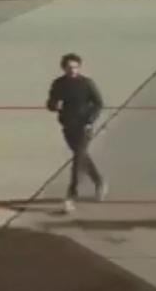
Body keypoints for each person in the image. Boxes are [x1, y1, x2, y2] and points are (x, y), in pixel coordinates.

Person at [46, 53, 107, 213]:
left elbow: (99, 103)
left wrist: (90, 120)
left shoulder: (87, 83)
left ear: (79, 67)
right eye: (69, 67)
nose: (72, 70)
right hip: (68, 126)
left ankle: (71, 195)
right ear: (64, 68)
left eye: (75, 67)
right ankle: (99, 182)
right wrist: (54, 105)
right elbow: (50, 103)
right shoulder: (58, 84)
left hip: (84, 126)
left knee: (77, 160)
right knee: (82, 157)